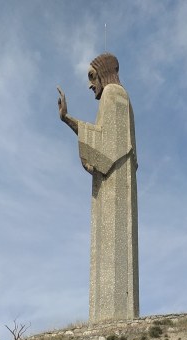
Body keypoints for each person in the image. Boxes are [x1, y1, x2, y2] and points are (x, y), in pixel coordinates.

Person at [57, 53, 139, 323]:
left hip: (117, 183)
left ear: (103, 73)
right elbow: (105, 142)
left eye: (92, 77)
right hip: (111, 181)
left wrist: (69, 120)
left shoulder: (114, 94)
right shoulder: (114, 96)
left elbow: (110, 145)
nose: (90, 84)